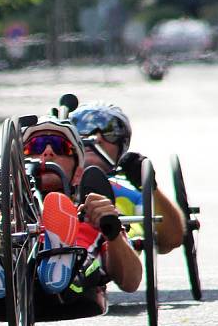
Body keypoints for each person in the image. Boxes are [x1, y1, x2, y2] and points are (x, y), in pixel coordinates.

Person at [0, 113, 142, 322]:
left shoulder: (91, 209)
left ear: (78, 172)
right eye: (36, 147)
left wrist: (111, 231)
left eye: (59, 147)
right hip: (3, 290)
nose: (47, 152)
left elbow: (130, 282)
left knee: (77, 229)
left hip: (74, 286)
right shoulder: (2, 212)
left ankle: (60, 257)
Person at [69, 101, 184, 254]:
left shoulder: (131, 194)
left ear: (121, 144)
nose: (96, 138)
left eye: (108, 134)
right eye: (84, 132)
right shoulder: (52, 186)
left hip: (119, 258)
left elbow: (171, 241)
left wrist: (151, 188)